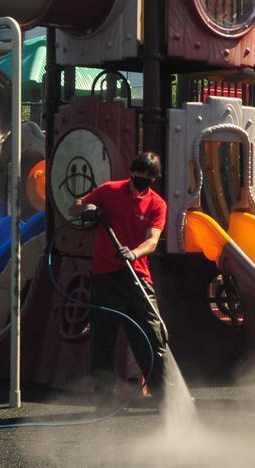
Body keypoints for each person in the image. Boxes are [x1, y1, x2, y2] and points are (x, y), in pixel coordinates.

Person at [68, 151, 169, 408]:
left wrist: (134, 253)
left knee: (153, 334)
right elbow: (74, 207)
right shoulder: (109, 191)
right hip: (105, 277)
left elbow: (153, 240)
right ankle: (105, 399)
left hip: (137, 276)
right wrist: (88, 208)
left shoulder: (157, 204)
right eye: (137, 175)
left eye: (146, 177)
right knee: (103, 339)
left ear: (154, 179)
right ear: (132, 172)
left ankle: (163, 396)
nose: (140, 181)